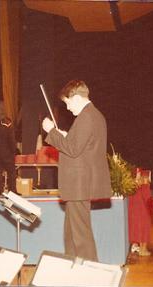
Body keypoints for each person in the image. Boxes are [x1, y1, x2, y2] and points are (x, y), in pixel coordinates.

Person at [42, 80, 112, 261]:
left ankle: (90, 273)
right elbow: (81, 146)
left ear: (77, 97)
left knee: (81, 236)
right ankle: (72, 266)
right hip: (78, 186)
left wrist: (52, 131)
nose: (68, 107)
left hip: (79, 185)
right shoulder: (94, 116)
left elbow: (72, 149)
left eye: (68, 102)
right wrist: (65, 135)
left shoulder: (86, 117)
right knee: (72, 234)